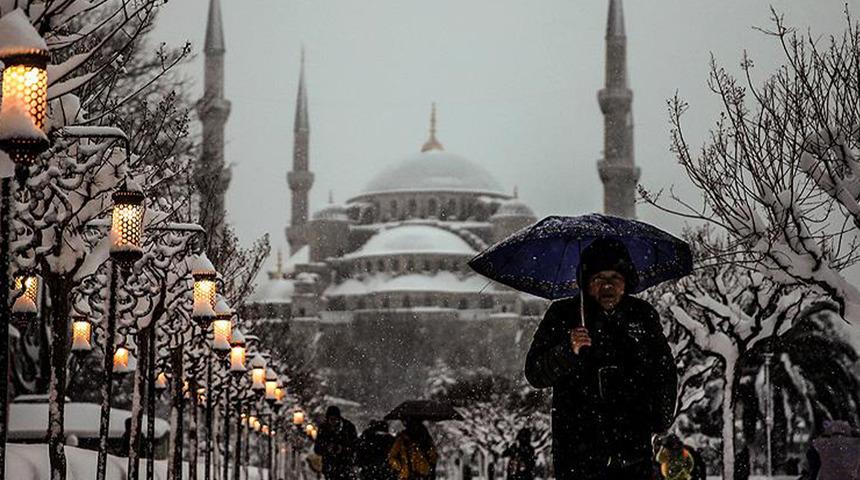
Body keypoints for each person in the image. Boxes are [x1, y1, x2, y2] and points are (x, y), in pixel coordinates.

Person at [524, 238, 678, 480]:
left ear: (625, 282)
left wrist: (659, 420)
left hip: (632, 450)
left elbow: (664, 372)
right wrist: (567, 350)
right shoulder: (563, 315)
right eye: (599, 279)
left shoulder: (641, 316)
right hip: (578, 452)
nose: (607, 286)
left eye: (614, 279)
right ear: (586, 282)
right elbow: (534, 373)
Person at [314, 406, 359, 480]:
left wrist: (343, 449)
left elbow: (355, 447)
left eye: (335, 419)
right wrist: (327, 448)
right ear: (327, 419)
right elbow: (317, 449)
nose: (333, 422)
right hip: (330, 466)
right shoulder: (323, 429)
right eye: (331, 419)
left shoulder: (348, 428)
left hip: (345, 466)